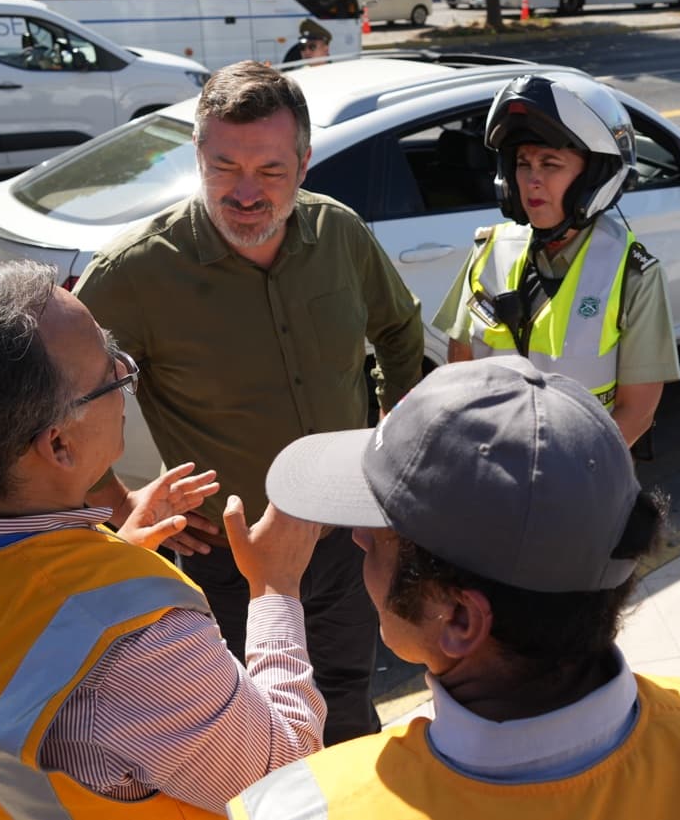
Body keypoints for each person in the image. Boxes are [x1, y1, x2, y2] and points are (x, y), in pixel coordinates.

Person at [229, 356, 680, 820]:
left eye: (384, 534)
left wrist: (272, 594)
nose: (359, 539)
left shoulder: (306, 806)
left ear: (460, 620)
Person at [0, 261, 327, 817]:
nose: (123, 373)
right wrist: (274, 588)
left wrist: (108, 559)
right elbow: (285, 777)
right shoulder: (140, 649)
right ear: (59, 446)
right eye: (112, 373)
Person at [75, 60, 424, 745]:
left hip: (346, 538)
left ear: (304, 162)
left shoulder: (340, 233)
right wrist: (118, 503)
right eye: (223, 167)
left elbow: (398, 327)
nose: (245, 193)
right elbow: (57, 403)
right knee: (252, 726)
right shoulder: (136, 272)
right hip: (229, 559)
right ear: (197, 157)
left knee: (349, 694)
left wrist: (394, 429)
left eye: (269, 171)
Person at [432, 73, 680, 446]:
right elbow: (460, 372)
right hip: (491, 465)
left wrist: (569, 476)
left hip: (581, 474)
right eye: (522, 163)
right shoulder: (488, 252)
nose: (532, 180)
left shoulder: (632, 274)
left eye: (550, 164)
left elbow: (638, 411)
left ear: (593, 177)